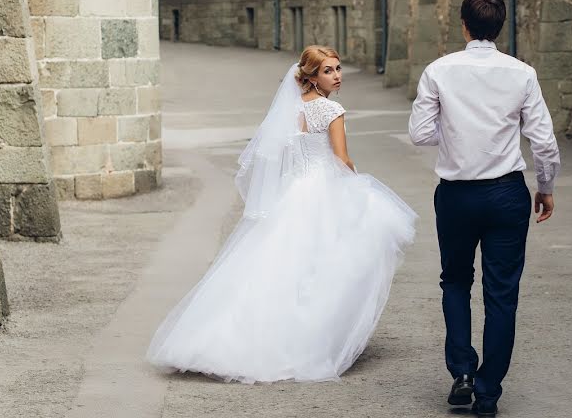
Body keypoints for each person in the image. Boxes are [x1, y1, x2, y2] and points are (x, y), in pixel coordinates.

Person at [147, 45, 416, 383]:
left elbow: (279, 156)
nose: (337, 76)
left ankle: (236, 340)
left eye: (337, 68)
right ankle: (309, 340)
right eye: (328, 71)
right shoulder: (331, 109)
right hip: (322, 190)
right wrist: (357, 186)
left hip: (294, 192)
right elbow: (341, 158)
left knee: (275, 264)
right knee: (324, 264)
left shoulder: (289, 110)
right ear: (312, 78)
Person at [408, 0, 561, 416]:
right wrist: (545, 187)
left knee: (455, 281)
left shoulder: (438, 70)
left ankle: (461, 370)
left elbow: (420, 132)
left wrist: (456, 134)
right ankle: (489, 392)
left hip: (456, 194)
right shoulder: (522, 74)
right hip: (506, 193)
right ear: (500, 27)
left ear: (463, 25)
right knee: (502, 294)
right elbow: (544, 141)